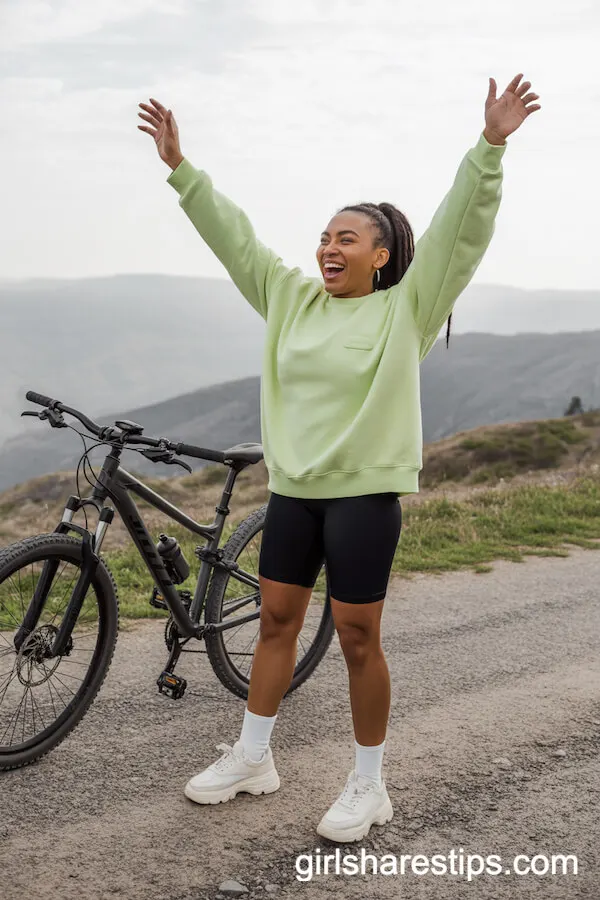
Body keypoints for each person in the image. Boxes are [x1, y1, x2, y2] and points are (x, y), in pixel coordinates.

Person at [137, 73, 540, 843]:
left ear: (381, 257)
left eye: (345, 238)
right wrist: (183, 170)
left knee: (357, 636)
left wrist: (488, 149)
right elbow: (238, 239)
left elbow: (460, 232)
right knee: (278, 620)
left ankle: (369, 784)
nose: (327, 246)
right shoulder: (290, 296)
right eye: (324, 236)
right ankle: (254, 757)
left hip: (364, 498)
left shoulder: (407, 310)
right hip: (295, 492)